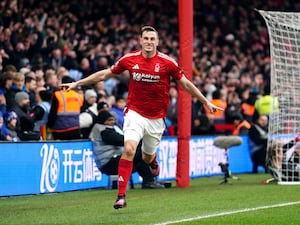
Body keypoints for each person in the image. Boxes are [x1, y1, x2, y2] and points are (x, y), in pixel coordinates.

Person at [61, 26, 223, 209]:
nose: (149, 42)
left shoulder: (167, 62)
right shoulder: (129, 59)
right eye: (146, 38)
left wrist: (205, 102)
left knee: (146, 158)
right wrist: (78, 83)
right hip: (135, 112)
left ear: (157, 42)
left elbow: (185, 83)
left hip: (156, 118)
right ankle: (121, 195)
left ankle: (152, 161)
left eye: (152, 39)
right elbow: (106, 74)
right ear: (140, 40)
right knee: (129, 149)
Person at [90, 110, 164, 189]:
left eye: (112, 120)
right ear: (102, 120)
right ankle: (149, 181)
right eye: (109, 120)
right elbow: (119, 140)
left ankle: (149, 181)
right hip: (109, 163)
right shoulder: (103, 130)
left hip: (113, 160)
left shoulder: (108, 128)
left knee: (141, 158)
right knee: (142, 151)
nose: (111, 122)